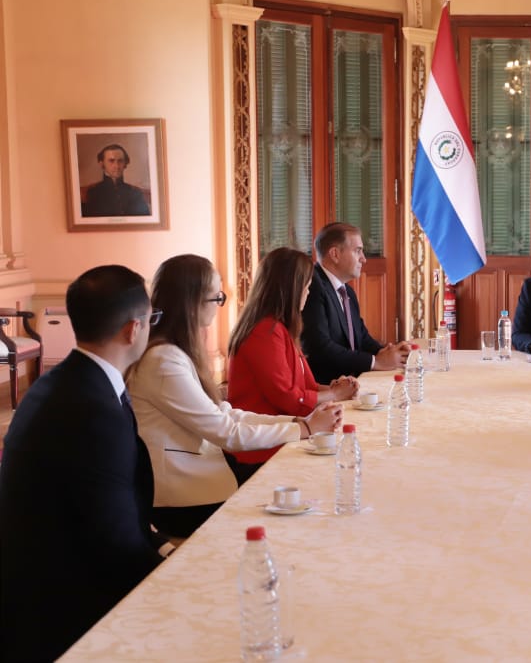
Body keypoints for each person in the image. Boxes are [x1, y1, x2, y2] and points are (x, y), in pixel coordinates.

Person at [0, 265, 169, 660]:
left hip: (42, 573)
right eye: (151, 320)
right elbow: (114, 542)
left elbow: (110, 503)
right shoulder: (93, 409)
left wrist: (161, 546)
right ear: (133, 329)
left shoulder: (63, 381)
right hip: (59, 608)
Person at [128, 254, 342, 538]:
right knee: (298, 510)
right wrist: (303, 428)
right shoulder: (164, 361)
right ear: (193, 302)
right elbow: (225, 432)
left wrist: (300, 422)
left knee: (304, 495)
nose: (218, 306)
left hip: (204, 477)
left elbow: (226, 412)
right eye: (216, 298)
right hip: (183, 497)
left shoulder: (173, 353)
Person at [227, 247, 359, 470]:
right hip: (262, 448)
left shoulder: (279, 327)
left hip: (283, 435)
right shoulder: (264, 331)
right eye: (306, 288)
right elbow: (288, 398)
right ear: (291, 290)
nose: (308, 294)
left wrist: (333, 387)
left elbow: (306, 386)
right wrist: (335, 394)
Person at [301, 222, 410, 382]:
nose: (364, 259)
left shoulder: (346, 290)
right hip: (327, 388)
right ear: (335, 254)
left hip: (351, 382)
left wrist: (390, 352)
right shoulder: (313, 286)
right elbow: (319, 347)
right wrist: (376, 362)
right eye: (357, 251)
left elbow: (361, 337)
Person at [81, 143, 152, 217]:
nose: (116, 166)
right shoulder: (91, 192)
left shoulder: (135, 193)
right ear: (102, 164)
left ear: (125, 164)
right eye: (111, 161)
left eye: (120, 161)